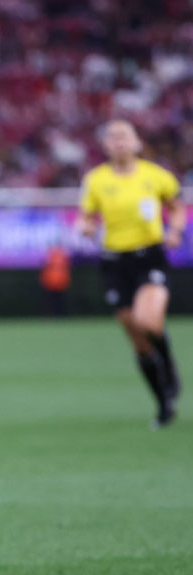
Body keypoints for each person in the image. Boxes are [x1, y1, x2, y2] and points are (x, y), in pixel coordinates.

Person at [75, 119, 185, 427]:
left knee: (147, 320)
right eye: (113, 137)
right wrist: (85, 226)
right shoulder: (96, 179)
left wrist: (175, 230)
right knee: (137, 337)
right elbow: (87, 216)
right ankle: (163, 403)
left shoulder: (156, 176)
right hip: (114, 261)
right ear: (106, 146)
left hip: (149, 256)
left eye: (125, 136)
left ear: (136, 142)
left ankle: (169, 367)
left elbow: (177, 207)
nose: (119, 142)